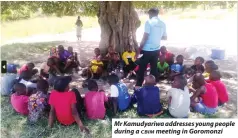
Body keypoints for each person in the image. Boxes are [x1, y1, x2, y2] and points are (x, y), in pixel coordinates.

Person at [137, 8, 167, 86]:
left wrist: (140, 47)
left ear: (151, 13)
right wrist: (156, 37)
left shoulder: (149, 22)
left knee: (142, 68)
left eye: (149, 14)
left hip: (146, 49)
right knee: (154, 68)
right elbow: (164, 37)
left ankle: (139, 85)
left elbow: (145, 36)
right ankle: (152, 85)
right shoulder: (162, 23)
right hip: (156, 49)